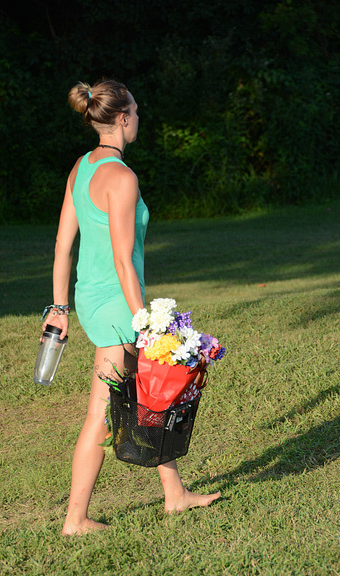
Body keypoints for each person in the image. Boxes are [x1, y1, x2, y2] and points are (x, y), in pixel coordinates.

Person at [43, 79, 221, 535]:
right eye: (136, 112)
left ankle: (174, 494)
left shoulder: (82, 167)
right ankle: (75, 519)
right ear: (122, 118)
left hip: (92, 297)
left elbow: (63, 244)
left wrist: (59, 307)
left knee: (149, 392)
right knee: (102, 415)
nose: (139, 118)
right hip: (119, 305)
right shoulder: (122, 178)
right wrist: (145, 323)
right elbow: (124, 259)